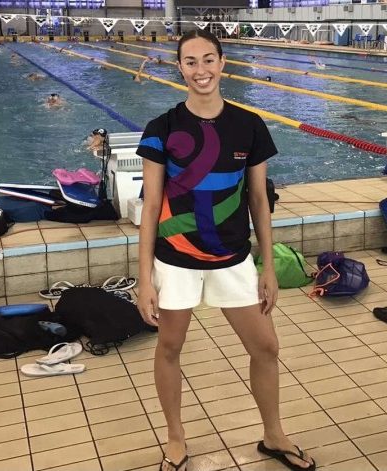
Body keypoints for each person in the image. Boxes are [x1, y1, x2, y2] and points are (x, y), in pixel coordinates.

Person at [136, 29, 315, 471]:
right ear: (180, 68)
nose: (201, 70)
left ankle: (273, 435)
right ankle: (175, 439)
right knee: (170, 347)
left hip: (232, 258)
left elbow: (259, 200)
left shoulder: (249, 125)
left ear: (222, 64)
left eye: (208, 59)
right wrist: (144, 279)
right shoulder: (161, 129)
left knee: (266, 347)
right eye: (191, 61)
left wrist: (267, 266)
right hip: (175, 259)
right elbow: (151, 206)